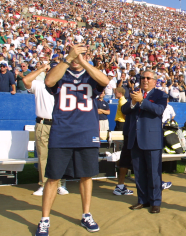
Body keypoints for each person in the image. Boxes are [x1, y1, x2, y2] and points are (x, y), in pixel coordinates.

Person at [35, 44, 109, 236]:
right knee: (53, 177)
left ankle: (86, 214)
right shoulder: (61, 72)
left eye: (80, 54)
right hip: (62, 132)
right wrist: (68, 58)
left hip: (87, 133)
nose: (77, 57)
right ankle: (44, 219)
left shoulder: (90, 74)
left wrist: (83, 61)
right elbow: (50, 81)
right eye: (75, 53)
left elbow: (105, 80)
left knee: (87, 175)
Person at [22, 63, 69, 196]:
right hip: (43, 123)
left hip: (59, 124)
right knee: (43, 156)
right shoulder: (39, 85)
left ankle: (59, 184)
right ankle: (43, 184)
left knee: (59, 156)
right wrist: (41, 69)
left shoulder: (63, 87)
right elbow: (25, 80)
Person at [125, 69, 168, 214]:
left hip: (152, 140)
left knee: (154, 173)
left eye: (148, 78)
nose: (145, 80)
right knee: (139, 172)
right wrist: (132, 101)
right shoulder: (134, 93)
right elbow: (125, 109)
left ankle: (155, 202)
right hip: (135, 139)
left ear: (155, 81)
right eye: (143, 78)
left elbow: (159, 110)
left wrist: (141, 101)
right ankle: (142, 200)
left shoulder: (160, 94)